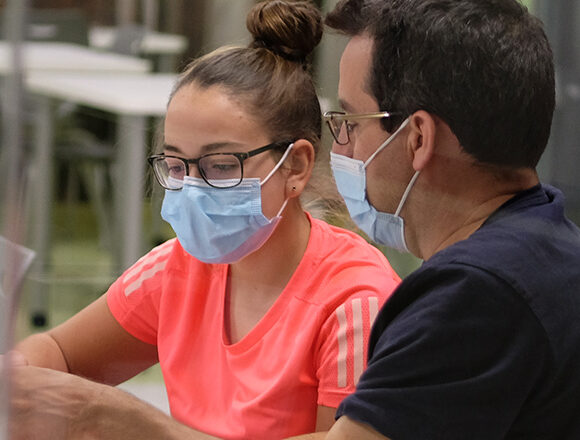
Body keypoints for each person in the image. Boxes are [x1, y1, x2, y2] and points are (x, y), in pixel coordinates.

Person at [5, 1, 401, 439]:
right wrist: (19, 374)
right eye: (177, 167)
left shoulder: (354, 305)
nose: (193, 188)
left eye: (221, 166)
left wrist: (130, 421)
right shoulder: (175, 270)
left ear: (296, 166)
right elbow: (57, 351)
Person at [291, 0, 580, 438]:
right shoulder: (550, 246)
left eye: (350, 122)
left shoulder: (473, 296)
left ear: (418, 137)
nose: (342, 149)